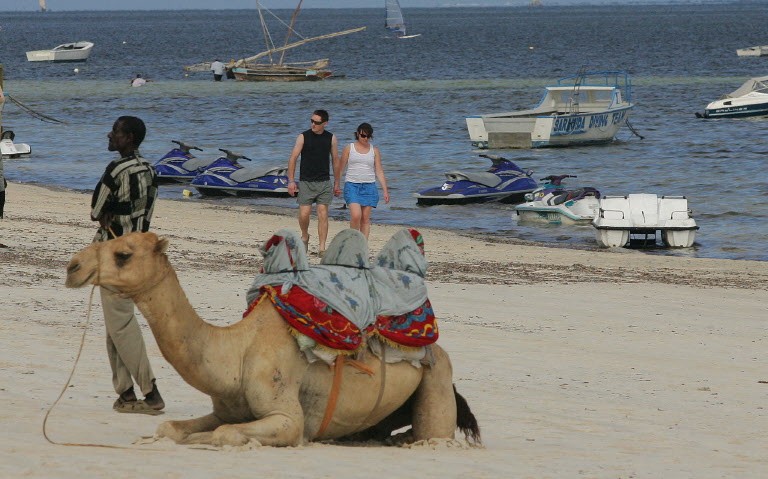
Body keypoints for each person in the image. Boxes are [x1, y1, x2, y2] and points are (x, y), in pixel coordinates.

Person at [90, 116, 164, 415]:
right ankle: (125, 393)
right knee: (116, 324)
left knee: (121, 325)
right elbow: (146, 212)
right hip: (140, 254)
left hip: (114, 254)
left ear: (129, 138)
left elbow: (96, 210)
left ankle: (151, 392)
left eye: (116, 132)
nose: (110, 135)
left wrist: (108, 214)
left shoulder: (116, 169)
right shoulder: (150, 169)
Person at [287, 109, 339, 256]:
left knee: (323, 214)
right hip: (306, 181)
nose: (313, 124)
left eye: (316, 122)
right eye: (312, 121)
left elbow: (335, 160)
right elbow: (293, 158)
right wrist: (291, 181)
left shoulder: (331, 138)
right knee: (304, 214)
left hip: (324, 182)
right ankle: (305, 236)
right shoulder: (303, 137)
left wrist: (337, 182)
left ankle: (322, 248)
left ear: (325, 123)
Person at [334, 123, 389, 239]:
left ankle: (363, 245)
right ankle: (354, 241)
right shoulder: (349, 148)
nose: (365, 139)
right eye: (363, 136)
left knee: (365, 219)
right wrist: (337, 184)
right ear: (358, 134)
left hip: (369, 186)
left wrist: (385, 191)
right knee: (356, 216)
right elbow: (341, 168)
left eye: (368, 136)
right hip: (352, 185)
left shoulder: (374, 150)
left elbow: (379, 171)